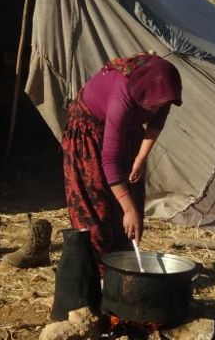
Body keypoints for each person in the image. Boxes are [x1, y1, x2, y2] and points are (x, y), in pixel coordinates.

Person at [62, 53, 182, 271]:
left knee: (132, 199)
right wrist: (129, 210)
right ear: (142, 94)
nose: (159, 107)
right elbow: (109, 161)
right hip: (89, 133)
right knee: (97, 205)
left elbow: (156, 123)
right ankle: (99, 276)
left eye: (163, 103)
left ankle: (122, 268)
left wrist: (140, 157)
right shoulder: (122, 98)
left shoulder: (161, 90)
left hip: (126, 132)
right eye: (156, 104)